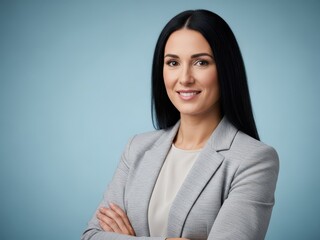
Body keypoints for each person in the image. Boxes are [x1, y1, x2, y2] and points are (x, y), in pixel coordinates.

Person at [81, 9, 279, 240]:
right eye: (173, 62)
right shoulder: (137, 149)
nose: (184, 78)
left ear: (226, 69)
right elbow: (91, 236)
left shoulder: (254, 159)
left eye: (201, 62)